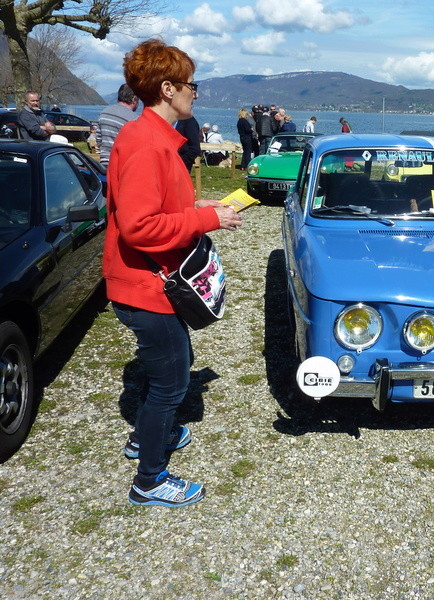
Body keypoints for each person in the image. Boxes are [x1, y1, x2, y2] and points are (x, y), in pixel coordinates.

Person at [104, 38, 243, 508]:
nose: (195, 93)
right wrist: (208, 219)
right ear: (167, 88)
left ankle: (145, 439)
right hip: (145, 286)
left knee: (167, 373)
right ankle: (149, 479)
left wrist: (197, 205)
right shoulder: (146, 144)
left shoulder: (153, 137)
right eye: (190, 85)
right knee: (171, 382)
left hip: (150, 281)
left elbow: (154, 205)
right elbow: (138, 226)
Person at [97, 84, 139, 168]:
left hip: (104, 164)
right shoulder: (134, 119)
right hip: (122, 166)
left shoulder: (104, 113)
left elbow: (99, 140)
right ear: (134, 99)